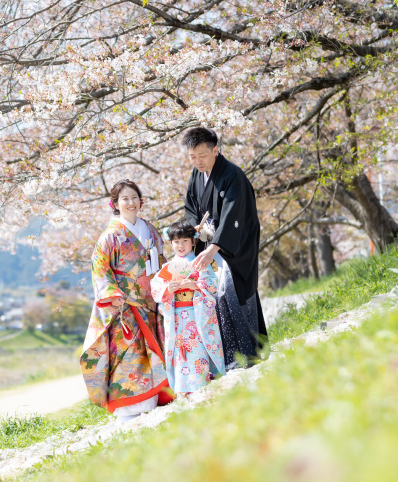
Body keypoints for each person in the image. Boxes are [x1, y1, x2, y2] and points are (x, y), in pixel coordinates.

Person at [81, 179, 172, 423]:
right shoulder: (109, 236)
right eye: (125, 199)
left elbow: (161, 261)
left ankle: (159, 395)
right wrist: (111, 294)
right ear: (115, 204)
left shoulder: (150, 229)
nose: (130, 203)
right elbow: (100, 268)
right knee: (130, 354)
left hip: (152, 301)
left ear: (140, 201)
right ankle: (129, 406)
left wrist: (165, 284)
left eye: (134, 198)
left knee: (157, 347)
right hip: (125, 304)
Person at [182, 126, 267, 368]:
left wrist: (214, 246)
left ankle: (247, 355)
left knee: (233, 293)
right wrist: (195, 230)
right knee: (214, 299)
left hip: (232, 248)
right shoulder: (197, 175)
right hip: (209, 244)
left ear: (216, 150)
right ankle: (225, 359)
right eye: (192, 157)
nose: (197, 161)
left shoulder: (232, 175)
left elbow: (234, 215)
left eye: (202, 155)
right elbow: (190, 207)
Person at [151, 220, 225, 395]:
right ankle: (184, 389)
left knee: (197, 348)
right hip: (176, 317)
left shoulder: (200, 263)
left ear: (193, 241)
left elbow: (212, 284)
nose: (180, 245)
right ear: (171, 244)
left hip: (196, 314)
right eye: (176, 242)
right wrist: (167, 290)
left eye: (185, 241)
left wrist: (196, 286)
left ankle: (202, 383)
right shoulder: (167, 268)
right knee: (180, 352)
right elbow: (156, 288)